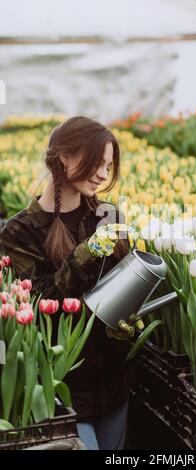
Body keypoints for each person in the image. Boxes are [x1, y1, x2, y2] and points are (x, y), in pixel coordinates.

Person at [0, 116, 142, 450]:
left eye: (108, 166)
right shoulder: (21, 231)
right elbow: (40, 302)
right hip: (61, 390)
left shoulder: (109, 216)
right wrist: (84, 255)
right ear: (64, 157)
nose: (103, 174)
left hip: (112, 380)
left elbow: (126, 283)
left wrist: (129, 323)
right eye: (96, 162)